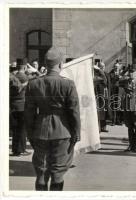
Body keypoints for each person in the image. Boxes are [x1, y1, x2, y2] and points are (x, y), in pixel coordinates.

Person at [24, 46, 81, 191]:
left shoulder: (33, 84)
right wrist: (76, 133)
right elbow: (74, 111)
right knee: (58, 172)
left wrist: (30, 133)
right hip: (63, 131)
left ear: (45, 64)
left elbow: (29, 113)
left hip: (40, 130)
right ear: (61, 65)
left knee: (41, 172)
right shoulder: (67, 84)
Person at [10, 58, 30, 156]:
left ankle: (15, 149)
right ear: (25, 67)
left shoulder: (13, 76)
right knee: (22, 129)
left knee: (15, 129)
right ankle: (21, 150)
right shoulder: (24, 77)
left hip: (13, 105)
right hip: (22, 105)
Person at [93, 61, 110, 132]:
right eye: (101, 67)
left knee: (105, 112)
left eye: (103, 67)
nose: (102, 68)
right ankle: (99, 128)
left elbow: (108, 84)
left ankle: (104, 127)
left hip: (105, 95)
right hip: (99, 95)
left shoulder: (106, 74)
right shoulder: (97, 75)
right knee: (100, 112)